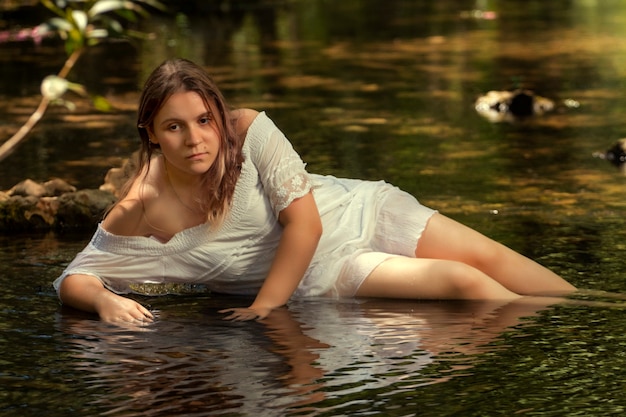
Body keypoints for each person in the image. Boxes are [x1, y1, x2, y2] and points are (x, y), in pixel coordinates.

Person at [53, 58, 576, 324]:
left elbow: (306, 220)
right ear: (149, 132)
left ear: (219, 114)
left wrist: (262, 306)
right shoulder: (143, 205)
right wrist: (104, 303)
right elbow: (75, 276)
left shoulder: (248, 128)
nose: (195, 139)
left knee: (525, 274)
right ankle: (554, 332)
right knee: (464, 282)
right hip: (321, 274)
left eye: (203, 119)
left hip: (360, 211)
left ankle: (587, 317)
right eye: (174, 127)